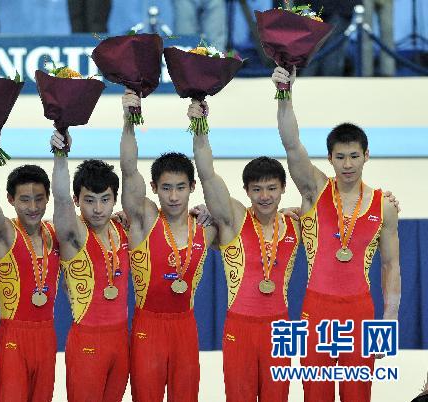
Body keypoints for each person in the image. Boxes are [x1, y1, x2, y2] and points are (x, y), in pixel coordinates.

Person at [272, 66, 401, 402]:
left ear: (366, 156)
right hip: (317, 309)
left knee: (358, 394)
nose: (347, 164)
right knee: (316, 393)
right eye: (340, 157)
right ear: (329, 158)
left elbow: (391, 266)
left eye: (354, 156)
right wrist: (284, 93)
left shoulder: (384, 206)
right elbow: (291, 144)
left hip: (360, 311)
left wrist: (388, 320)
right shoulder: (315, 190)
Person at [189, 99, 299, 401]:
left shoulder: (297, 224)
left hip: (280, 329)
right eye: (257, 189)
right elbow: (207, 175)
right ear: (247, 191)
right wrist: (199, 128)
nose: (265, 196)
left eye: (272, 188)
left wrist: (387, 200)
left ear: (283, 189)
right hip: (239, 328)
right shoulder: (235, 218)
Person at [120, 89, 216, 402]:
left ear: (192, 187)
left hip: (186, 328)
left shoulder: (207, 227)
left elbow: (215, 180)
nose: (173, 197)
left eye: (180, 188)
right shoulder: (145, 219)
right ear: (154, 188)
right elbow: (129, 170)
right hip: (148, 327)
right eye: (166, 188)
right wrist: (128, 121)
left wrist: (201, 128)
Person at [50, 130, 130, 402]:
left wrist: (202, 211)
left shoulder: (123, 229)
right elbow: (60, 198)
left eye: (105, 199)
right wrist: (61, 155)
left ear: (115, 199)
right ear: (77, 201)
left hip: (121, 341)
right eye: (89, 200)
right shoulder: (74, 234)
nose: (97, 209)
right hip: (87, 341)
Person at [0, 134, 60, 402]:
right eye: (25, 199)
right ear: (11, 200)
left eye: (39, 198)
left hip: (47, 336)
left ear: (48, 198)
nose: (33, 207)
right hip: (13, 336)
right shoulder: (5, 234)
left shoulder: (55, 233)